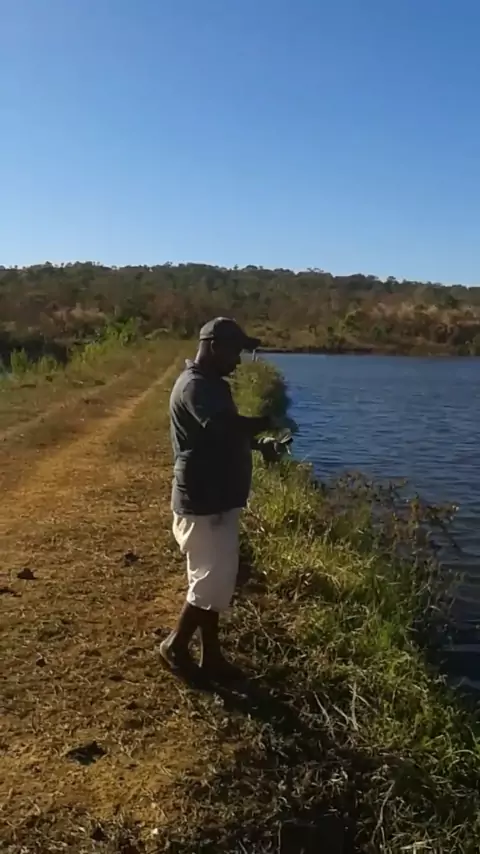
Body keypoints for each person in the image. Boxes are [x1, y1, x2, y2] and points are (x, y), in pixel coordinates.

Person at [160, 317, 279, 681]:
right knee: (209, 584)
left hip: (216, 497)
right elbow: (222, 426)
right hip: (204, 500)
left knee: (211, 582)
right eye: (234, 352)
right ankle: (175, 647)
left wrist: (259, 444)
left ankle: (211, 656)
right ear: (213, 346)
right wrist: (268, 421)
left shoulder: (212, 385)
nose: (238, 361)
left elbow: (222, 435)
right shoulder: (195, 387)